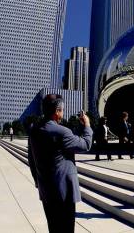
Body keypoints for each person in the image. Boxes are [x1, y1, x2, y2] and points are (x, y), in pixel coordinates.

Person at [28, 94, 92, 233]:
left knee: (54, 228)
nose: (63, 113)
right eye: (62, 110)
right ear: (57, 111)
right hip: (64, 193)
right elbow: (86, 144)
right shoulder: (62, 131)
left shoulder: (34, 129)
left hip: (46, 191)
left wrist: (38, 182)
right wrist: (87, 125)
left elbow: (31, 159)